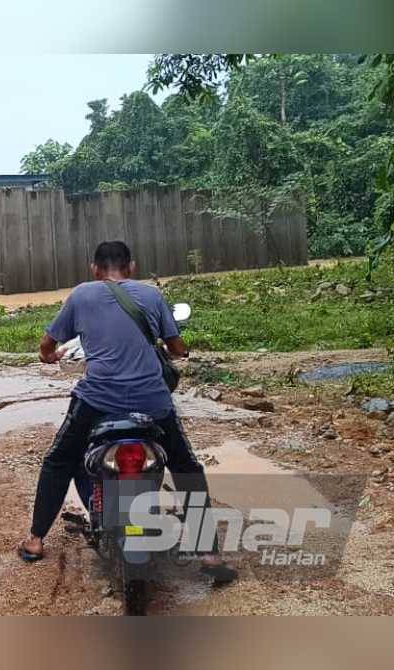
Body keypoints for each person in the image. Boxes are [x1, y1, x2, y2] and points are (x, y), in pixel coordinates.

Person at [18, 240, 236, 583]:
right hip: (153, 402)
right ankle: (209, 554)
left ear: (95, 269)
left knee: (59, 461)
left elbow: (47, 346)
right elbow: (177, 348)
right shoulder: (151, 296)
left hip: (97, 400)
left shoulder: (81, 295)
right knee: (185, 467)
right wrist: (176, 349)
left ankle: (34, 541)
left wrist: (50, 356)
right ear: (131, 267)